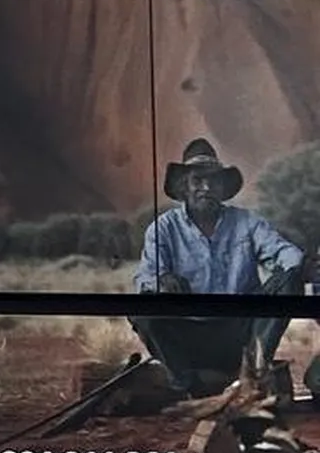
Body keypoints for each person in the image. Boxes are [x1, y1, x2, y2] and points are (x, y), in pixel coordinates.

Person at [130, 138, 304, 392]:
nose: (206, 187)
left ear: (223, 188)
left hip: (242, 332)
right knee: (141, 309)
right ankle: (189, 385)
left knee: (290, 279)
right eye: (197, 180)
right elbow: (146, 276)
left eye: (214, 180)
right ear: (183, 186)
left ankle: (253, 375)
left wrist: (298, 263)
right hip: (189, 333)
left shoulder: (247, 222)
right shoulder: (163, 228)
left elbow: (281, 251)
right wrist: (162, 279)